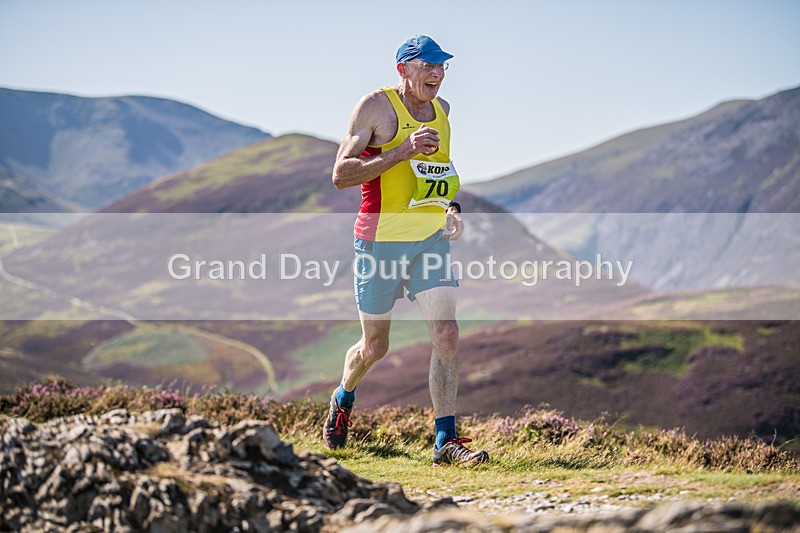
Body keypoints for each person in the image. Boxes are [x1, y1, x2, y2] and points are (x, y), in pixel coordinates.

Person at [324, 35, 488, 467]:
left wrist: (450, 208)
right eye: (427, 65)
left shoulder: (443, 112)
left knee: (447, 334)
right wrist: (401, 150)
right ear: (403, 69)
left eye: (442, 66)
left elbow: (439, 171)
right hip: (379, 240)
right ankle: (343, 397)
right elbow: (341, 174)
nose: (436, 73)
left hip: (429, 239)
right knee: (375, 347)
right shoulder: (376, 107)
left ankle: (445, 442)